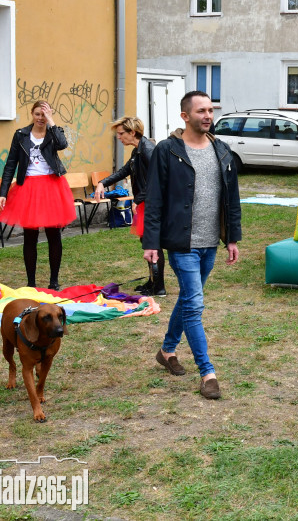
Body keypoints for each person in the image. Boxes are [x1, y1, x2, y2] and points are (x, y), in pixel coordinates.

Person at [144, 91, 241, 400]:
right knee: (195, 304)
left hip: (210, 242)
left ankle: (167, 350)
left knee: (188, 298)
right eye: (201, 110)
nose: (208, 115)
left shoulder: (222, 150)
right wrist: (151, 242)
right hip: (181, 243)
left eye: (210, 109)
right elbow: (155, 199)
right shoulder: (167, 150)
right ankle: (207, 372)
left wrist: (233, 238)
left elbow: (232, 199)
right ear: (185, 116)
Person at [0, 100, 76, 291]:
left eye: (44, 114)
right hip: (28, 187)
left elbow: (62, 144)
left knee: (53, 234)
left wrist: (52, 121)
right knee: (29, 236)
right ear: (32, 114)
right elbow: (10, 164)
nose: (40, 118)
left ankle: (54, 281)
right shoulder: (21, 135)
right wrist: (3, 193)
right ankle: (31, 282)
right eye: (37, 114)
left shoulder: (54, 132)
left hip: (52, 186)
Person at [96, 116, 165, 296]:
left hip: (152, 203)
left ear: (132, 132)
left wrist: (137, 199)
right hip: (145, 202)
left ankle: (159, 287)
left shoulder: (149, 150)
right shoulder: (137, 151)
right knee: (148, 242)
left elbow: (158, 180)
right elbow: (124, 171)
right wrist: (102, 183)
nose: (119, 137)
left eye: (121, 133)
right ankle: (153, 282)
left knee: (153, 244)